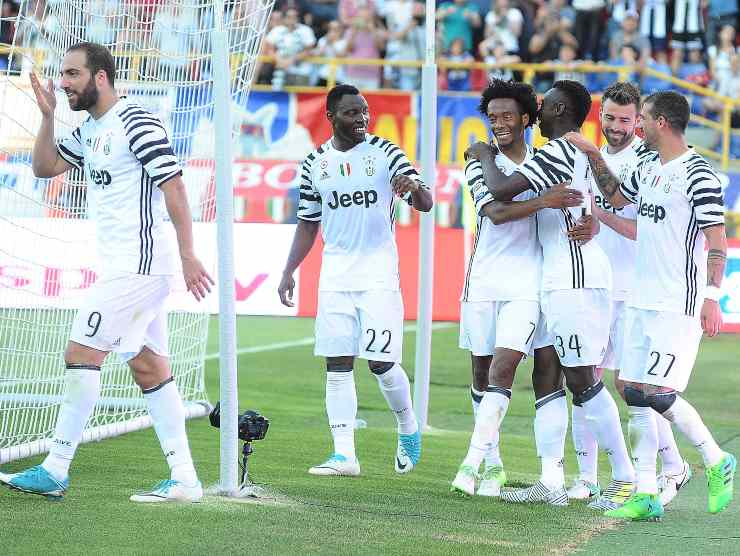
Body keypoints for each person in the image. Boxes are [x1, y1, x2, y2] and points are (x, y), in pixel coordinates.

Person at [0, 42, 213, 502]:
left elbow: (173, 184)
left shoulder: (135, 120)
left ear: (100, 77)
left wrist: (189, 253)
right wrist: (47, 115)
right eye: (63, 74)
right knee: (149, 367)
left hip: (139, 265)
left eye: (73, 74)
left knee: (81, 351)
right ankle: (185, 480)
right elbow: (43, 168)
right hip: (128, 267)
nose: (64, 82)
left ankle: (56, 466)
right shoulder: (88, 130)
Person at [566, 91, 736, 521]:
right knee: (636, 394)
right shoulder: (647, 165)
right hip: (641, 297)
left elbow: (717, 242)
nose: (636, 126)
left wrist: (712, 298)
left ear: (661, 122)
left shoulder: (699, 174)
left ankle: (716, 459)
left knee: (659, 392)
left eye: (641, 119)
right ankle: (645, 491)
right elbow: (619, 200)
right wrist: (591, 154)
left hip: (677, 301)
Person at [467, 80, 636, 510]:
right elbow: (607, 198)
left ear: (559, 109)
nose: (537, 113)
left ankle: (624, 479)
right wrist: (590, 216)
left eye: (543, 107)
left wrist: (485, 153)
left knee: (583, 380)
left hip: (573, 278)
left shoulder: (558, 150)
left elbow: (502, 192)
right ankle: (552, 481)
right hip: (557, 275)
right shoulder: (576, 151)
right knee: (551, 378)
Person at [278, 84, 433, 477]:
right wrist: (288, 270)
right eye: (352, 113)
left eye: (364, 111)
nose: (362, 118)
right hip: (334, 275)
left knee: (381, 363)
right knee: (337, 365)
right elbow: (307, 222)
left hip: (378, 273)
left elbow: (425, 201)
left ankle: (408, 427)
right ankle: (344, 454)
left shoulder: (385, 153)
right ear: (331, 117)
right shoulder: (315, 163)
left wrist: (414, 188)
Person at [451, 79, 586, 502]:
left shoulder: (542, 159)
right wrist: (544, 201)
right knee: (480, 372)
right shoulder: (478, 160)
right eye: (493, 118)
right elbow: (494, 211)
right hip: (484, 280)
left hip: (528, 283)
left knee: (504, 370)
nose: (499, 124)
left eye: (508, 116)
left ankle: (470, 463)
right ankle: (493, 464)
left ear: (527, 118)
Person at [567, 82, 691, 507]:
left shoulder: (648, 159)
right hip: (590, 283)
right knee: (582, 378)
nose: (617, 127)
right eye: (610, 118)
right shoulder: (585, 158)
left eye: (626, 120)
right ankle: (586, 478)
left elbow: (643, 228)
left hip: (635, 288)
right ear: (599, 115)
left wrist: (599, 218)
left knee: (632, 387)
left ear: (640, 120)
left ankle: (670, 465)